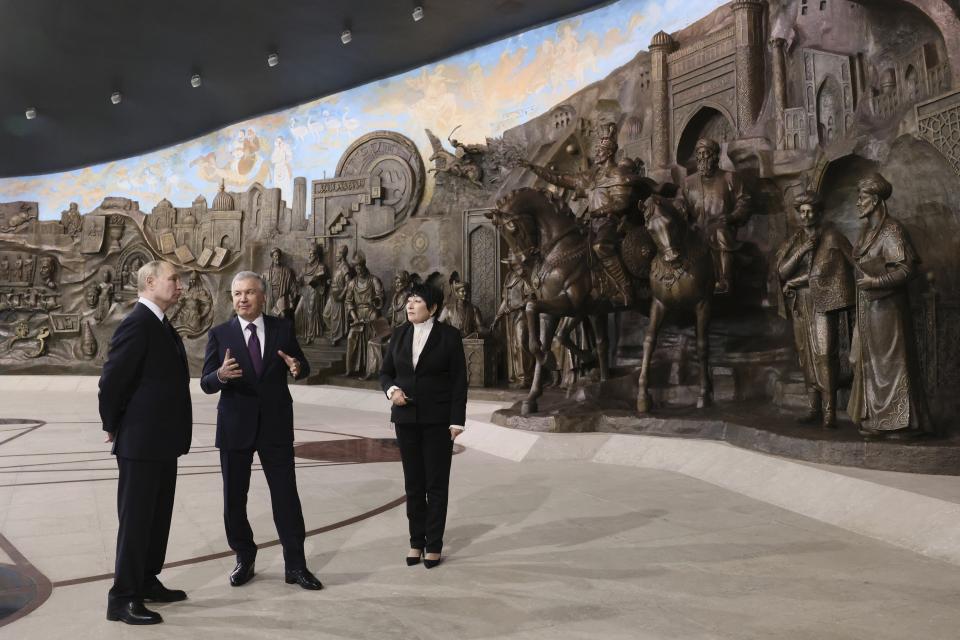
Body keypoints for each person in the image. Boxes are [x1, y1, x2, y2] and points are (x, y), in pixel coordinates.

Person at [200, 271, 323, 590]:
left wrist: (297, 368)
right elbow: (206, 383)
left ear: (263, 296)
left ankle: (296, 565)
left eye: (249, 292)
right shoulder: (220, 334)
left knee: (286, 497)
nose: (242, 298)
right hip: (234, 426)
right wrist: (221, 375)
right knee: (233, 499)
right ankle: (244, 557)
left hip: (275, 426)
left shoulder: (283, 328)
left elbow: (302, 364)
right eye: (237, 293)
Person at [98, 260, 191, 625]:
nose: (179, 285)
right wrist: (111, 423)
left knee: (156, 518)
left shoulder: (160, 324)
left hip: (162, 440)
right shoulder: (137, 323)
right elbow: (112, 381)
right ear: (150, 282)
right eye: (173, 279)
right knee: (137, 521)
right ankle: (122, 598)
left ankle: (147, 581)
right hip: (141, 442)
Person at [379, 283, 468, 569]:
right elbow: (386, 373)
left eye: (417, 301)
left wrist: (457, 420)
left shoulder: (449, 337)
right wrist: (392, 391)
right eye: (409, 300)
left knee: (436, 484)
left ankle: (434, 544)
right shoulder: (399, 334)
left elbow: (458, 381)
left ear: (432, 308)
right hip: (406, 420)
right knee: (413, 484)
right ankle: (416, 540)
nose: (410, 305)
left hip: (439, 421)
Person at [847, 174, 936, 439]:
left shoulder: (892, 230)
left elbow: (906, 269)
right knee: (868, 363)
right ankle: (876, 419)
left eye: (861, 197)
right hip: (867, 309)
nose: (857, 202)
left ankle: (901, 423)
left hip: (888, 310)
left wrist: (875, 280)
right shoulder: (866, 233)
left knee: (891, 365)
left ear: (875, 201)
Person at [522, 123, 640, 305]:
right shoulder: (590, 177)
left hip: (612, 223)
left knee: (601, 247)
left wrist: (600, 211)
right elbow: (559, 179)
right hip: (592, 224)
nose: (597, 154)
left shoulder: (618, 173)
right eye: (597, 149)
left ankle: (626, 288)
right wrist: (534, 168)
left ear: (609, 152)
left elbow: (621, 203)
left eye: (600, 150)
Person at [776, 191, 855, 429]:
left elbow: (847, 265)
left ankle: (829, 413)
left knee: (824, 355)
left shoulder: (832, 237)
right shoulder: (796, 240)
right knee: (805, 356)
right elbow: (782, 272)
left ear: (819, 213)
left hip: (824, 304)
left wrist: (798, 281)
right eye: (802, 211)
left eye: (810, 211)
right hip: (801, 304)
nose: (806, 215)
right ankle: (814, 408)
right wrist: (802, 251)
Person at [679, 137, 752, 294]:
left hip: (722, 226)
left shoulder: (730, 178)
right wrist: (681, 209)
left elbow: (744, 201)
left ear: (714, 156)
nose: (702, 158)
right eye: (699, 154)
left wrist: (732, 216)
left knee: (719, 233)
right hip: (696, 228)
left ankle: (725, 280)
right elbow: (680, 202)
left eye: (706, 153)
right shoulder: (688, 182)